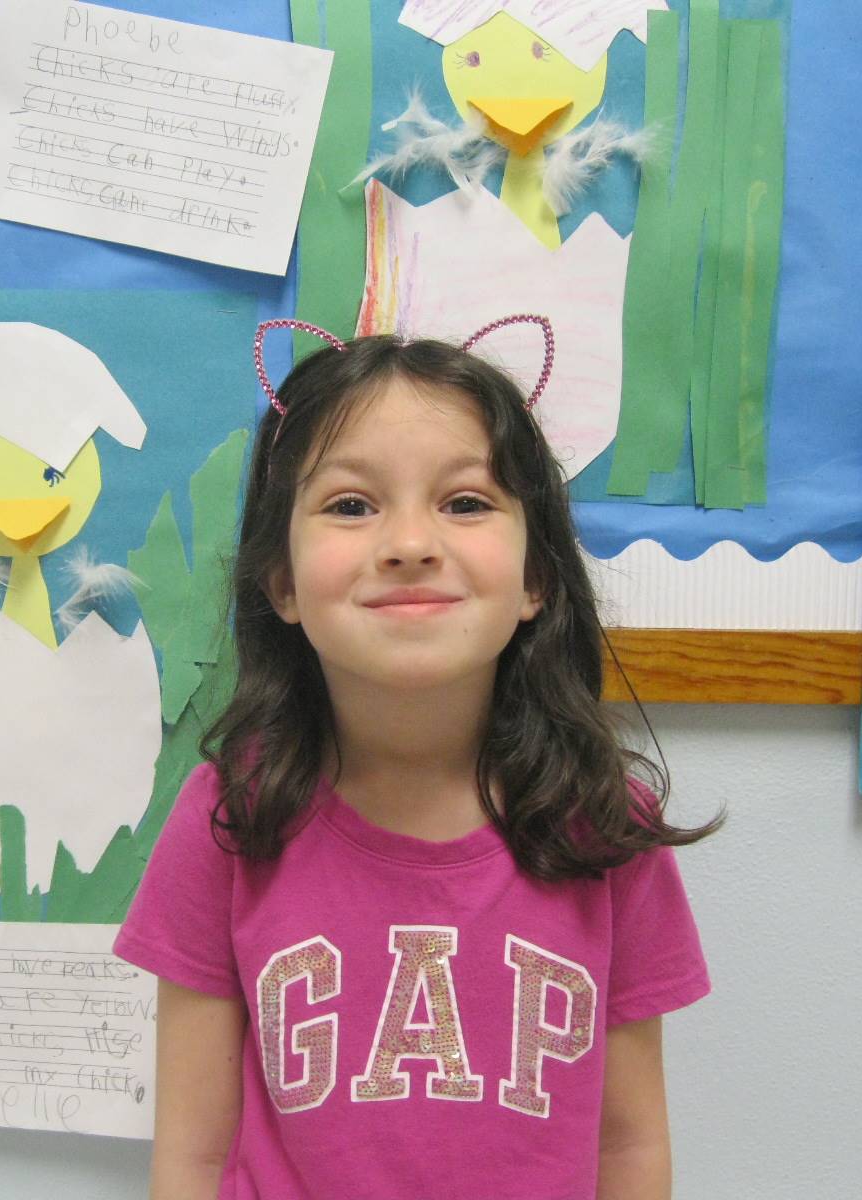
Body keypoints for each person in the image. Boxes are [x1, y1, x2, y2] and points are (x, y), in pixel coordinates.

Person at [114, 315, 720, 1200]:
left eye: (466, 502)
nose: (409, 543)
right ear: (280, 580)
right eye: (350, 506)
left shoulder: (605, 825)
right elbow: (195, 1155)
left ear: (537, 579)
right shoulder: (228, 816)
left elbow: (627, 1150)